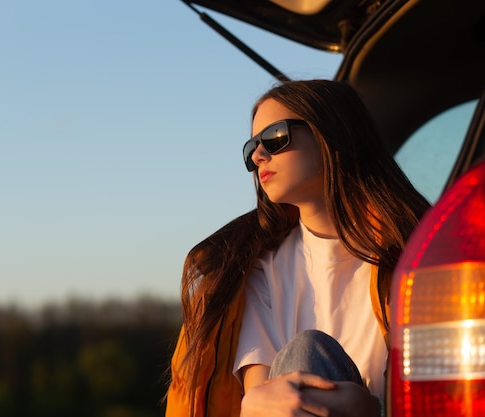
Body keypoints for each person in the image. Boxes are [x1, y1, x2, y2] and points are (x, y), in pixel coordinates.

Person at [165, 79, 431, 417]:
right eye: (251, 150)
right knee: (302, 359)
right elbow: (267, 400)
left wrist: (374, 410)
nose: (259, 156)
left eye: (276, 138)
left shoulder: (418, 259)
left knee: (308, 352)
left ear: (332, 135)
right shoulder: (256, 271)